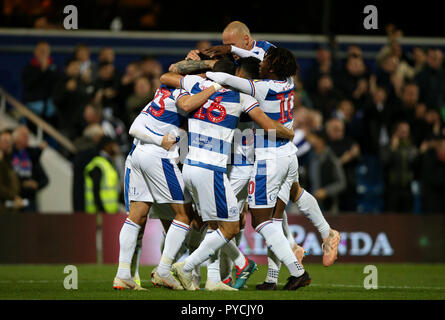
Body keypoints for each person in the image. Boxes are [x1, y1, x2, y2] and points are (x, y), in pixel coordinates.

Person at [207, 47, 341, 290]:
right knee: (277, 216)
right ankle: (273, 276)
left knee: (260, 221)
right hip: (289, 155)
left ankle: (297, 270)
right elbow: (262, 61)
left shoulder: (261, 88)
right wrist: (233, 49)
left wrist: (206, 70)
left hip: (269, 158)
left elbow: (224, 78)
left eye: (266, 59)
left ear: (272, 67)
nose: (262, 60)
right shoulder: (288, 82)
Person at [161, 55, 296, 291]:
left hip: (190, 165)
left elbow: (168, 75)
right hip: (212, 170)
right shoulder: (244, 97)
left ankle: (215, 278)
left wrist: (205, 71)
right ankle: (187, 267)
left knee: (215, 223)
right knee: (230, 227)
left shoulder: (198, 85)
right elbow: (267, 125)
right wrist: (289, 132)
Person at [113, 70, 221, 291]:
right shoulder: (183, 94)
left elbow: (134, 128)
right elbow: (189, 105)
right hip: (158, 157)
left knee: (137, 215)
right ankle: (163, 271)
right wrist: (214, 88)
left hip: (138, 155)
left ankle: (123, 274)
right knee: (184, 214)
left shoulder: (161, 93)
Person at [381, 121, 419, 213]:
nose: (404, 134)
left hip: (407, 187)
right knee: (391, 217)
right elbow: (384, 162)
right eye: (402, 131)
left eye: (406, 132)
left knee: (408, 217)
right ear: (395, 132)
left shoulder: (411, 147)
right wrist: (393, 149)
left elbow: (416, 165)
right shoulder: (387, 147)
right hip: (392, 188)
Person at [325, 118, 361, 211]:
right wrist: (347, 157)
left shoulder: (349, 142)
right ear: (328, 131)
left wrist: (348, 157)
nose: (339, 132)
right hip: (331, 186)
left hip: (349, 184)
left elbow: (358, 158)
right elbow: (330, 164)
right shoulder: (325, 145)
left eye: (341, 129)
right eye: (336, 129)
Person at [11, 125, 48, 212]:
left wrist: (36, 184)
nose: (27, 138)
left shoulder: (31, 155)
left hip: (28, 198)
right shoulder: (9, 152)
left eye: (28, 136)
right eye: (24, 135)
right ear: (15, 137)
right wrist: (22, 183)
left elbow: (45, 179)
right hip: (11, 194)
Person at [21, 41, 59, 128]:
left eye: (46, 52)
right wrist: (42, 70)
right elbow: (28, 85)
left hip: (50, 113)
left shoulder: (55, 69)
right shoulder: (28, 69)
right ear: (35, 52)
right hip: (32, 111)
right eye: (41, 51)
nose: (44, 54)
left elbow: (58, 86)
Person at [83, 136, 121, 214]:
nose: (115, 148)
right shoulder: (98, 164)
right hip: (98, 214)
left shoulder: (108, 163)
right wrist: (102, 210)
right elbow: (95, 189)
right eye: (112, 145)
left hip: (109, 213)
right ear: (106, 146)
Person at [0, 129, 24, 213]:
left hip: (9, 206)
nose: (9, 144)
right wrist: (13, 197)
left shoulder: (10, 159)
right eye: (5, 141)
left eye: (10, 141)